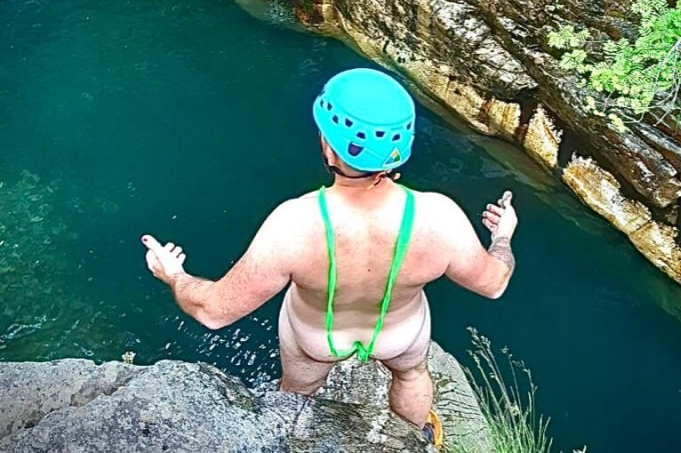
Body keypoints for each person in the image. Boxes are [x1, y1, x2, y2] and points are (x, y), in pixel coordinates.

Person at [142, 68, 518, 447]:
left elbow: (213, 311)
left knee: (295, 396)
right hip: (398, 334)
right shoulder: (439, 217)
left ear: (329, 146)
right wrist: (502, 236)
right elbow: (494, 283)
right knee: (411, 375)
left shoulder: (295, 224)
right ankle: (413, 441)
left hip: (316, 337)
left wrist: (175, 275)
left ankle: (291, 438)